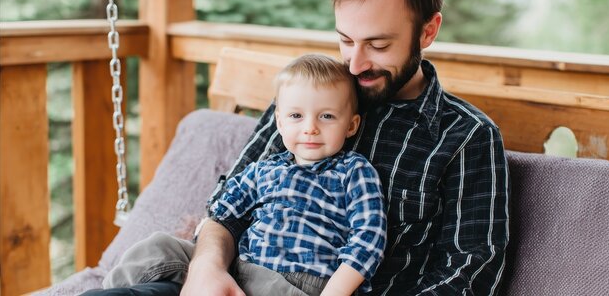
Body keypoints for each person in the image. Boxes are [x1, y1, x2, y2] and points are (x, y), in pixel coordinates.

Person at [89, 0, 510, 296]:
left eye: (378, 45)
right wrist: (206, 268)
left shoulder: (466, 137)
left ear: (427, 31)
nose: (356, 63)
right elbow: (229, 205)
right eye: (346, 40)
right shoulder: (310, 98)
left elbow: (468, 275)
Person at [86, 54, 387, 296]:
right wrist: (208, 263)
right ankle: (120, 289)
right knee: (159, 246)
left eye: (327, 116)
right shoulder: (263, 169)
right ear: (280, 123)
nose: (310, 127)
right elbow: (222, 213)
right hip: (239, 268)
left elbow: (368, 240)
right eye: (297, 116)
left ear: (351, 125)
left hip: (297, 283)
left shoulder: (354, 172)